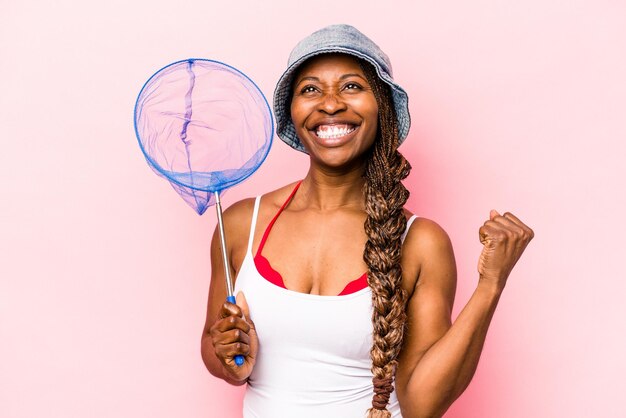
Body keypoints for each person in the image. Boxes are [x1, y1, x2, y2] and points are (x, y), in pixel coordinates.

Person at [200, 24, 534, 418]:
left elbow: (423, 404)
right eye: (310, 89)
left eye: (351, 87)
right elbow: (215, 349)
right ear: (293, 112)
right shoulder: (242, 224)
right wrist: (228, 355)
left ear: (383, 108)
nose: (329, 104)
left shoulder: (420, 242)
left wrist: (491, 284)